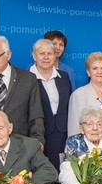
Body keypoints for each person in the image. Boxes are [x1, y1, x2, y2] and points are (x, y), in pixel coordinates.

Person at [30, 38, 71, 169]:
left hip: (62, 133)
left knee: (63, 171)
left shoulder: (64, 77)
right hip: (38, 135)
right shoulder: (26, 78)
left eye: (50, 53)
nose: (46, 57)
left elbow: (68, 105)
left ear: (55, 56)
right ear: (34, 56)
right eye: (42, 53)